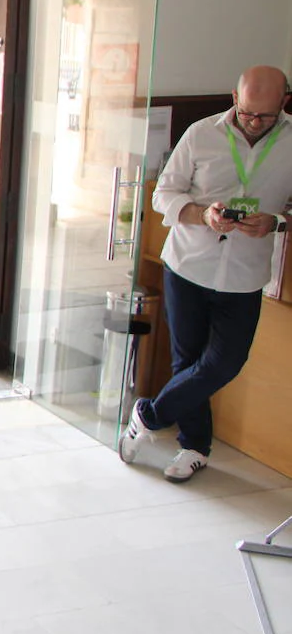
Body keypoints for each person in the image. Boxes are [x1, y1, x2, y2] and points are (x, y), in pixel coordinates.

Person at [120, 66, 292, 482]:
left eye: (265, 116)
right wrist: (203, 214)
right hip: (188, 264)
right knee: (188, 361)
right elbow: (164, 194)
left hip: (246, 274)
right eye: (248, 112)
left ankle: (149, 415)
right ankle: (195, 448)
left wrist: (277, 222)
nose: (254, 123)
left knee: (224, 363)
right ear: (235, 96)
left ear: (284, 102)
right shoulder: (201, 133)